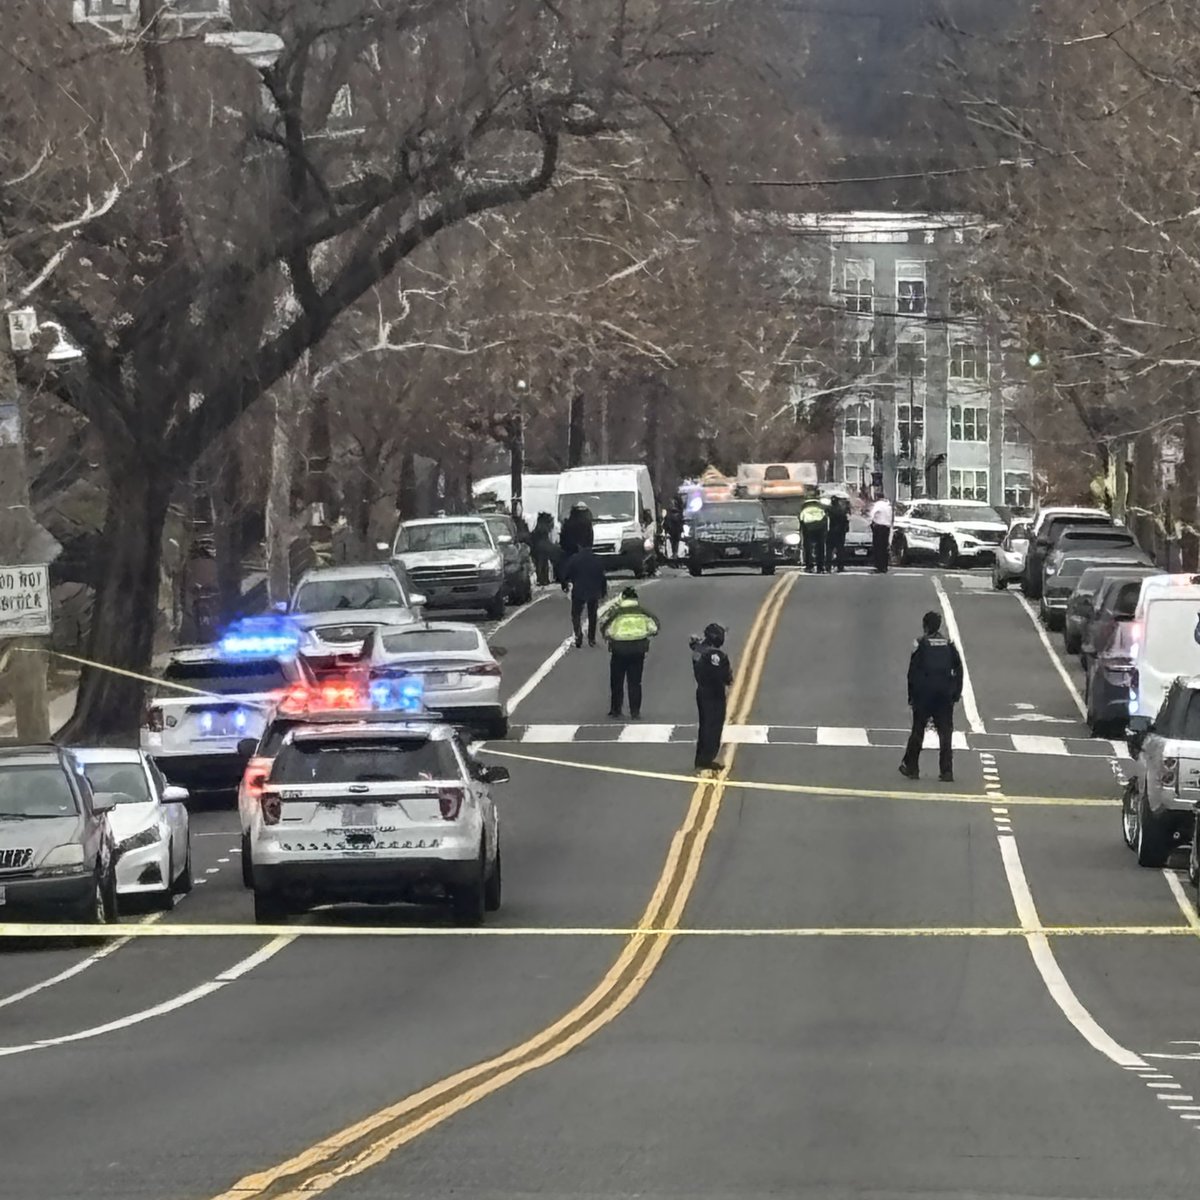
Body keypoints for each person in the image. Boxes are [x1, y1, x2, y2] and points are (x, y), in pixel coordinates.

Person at [899, 610, 964, 783]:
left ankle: (912, 767)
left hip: (924, 695)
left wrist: (911, 695)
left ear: (925, 626)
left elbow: (912, 673)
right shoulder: (949, 645)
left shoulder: (921, 644)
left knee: (918, 730)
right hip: (944, 695)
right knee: (945, 733)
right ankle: (946, 770)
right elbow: (959, 669)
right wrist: (956, 693)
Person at [599, 586, 661, 718]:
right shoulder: (643, 612)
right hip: (638, 650)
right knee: (635, 682)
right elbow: (654, 628)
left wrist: (613, 637)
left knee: (617, 681)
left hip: (619, 650)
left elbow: (606, 629)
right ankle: (635, 711)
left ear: (623, 598)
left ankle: (616, 710)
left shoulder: (616, 613)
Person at [691, 622, 734, 772]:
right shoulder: (716, 656)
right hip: (714, 692)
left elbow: (696, 647)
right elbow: (723, 676)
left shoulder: (700, 650)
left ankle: (701, 757)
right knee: (713, 726)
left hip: (701, 691)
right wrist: (728, 679)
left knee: (705, 725)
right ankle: (707, 758)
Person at [560, 544, 607, 647]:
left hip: (579, 590)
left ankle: (578, 634)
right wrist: (603, 591)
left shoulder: (574, 559)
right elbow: (602, 577)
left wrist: (564, 586)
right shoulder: (597, 559)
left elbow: (565, 574)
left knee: (576, 614)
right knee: (592, 614)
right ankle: (591, 638)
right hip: (594, 590)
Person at [799, 496, 829, 574]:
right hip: (819, 531)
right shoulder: (820, 510)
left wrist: (802, 532)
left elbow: (801, 521)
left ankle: (809, 566)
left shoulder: (804, 510)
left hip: (808, 531)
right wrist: (825, 533)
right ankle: (820, 567)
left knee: (808, 548)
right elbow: (825, 521)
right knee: (820, 548)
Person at [869, 492, 894, 573]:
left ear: (877, 497)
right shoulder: (888, 505)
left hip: (879, 527)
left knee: (878, 547)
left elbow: (872, 514)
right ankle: (884, 566)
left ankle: (879, 566)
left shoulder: (878, 504)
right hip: (886, 527)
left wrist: (871, 521)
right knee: (884, 547)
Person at [529, 512, 556, 586]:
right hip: (541, 548)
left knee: (541, 562)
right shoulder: (544, 531)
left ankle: (542, 578)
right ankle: (543, 578)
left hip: (538, 548)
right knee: (542, 562)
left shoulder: (538, 530)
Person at [827, 495, 850, 573]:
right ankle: (840, 567)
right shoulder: (842, 511)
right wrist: (845, 530)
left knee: (829, 550)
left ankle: (828, 566)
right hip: (840, 533)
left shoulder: (828, 510)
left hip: (830, 532)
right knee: (840, 550)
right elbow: (846, 522)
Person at [663, 498, 685, 564]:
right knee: (675, 545)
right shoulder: (678, 513)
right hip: (675, 531)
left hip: (673, 531)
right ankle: (675, 557)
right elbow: (681, 522)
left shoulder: (670, 514)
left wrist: (666, 529)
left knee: (674, 545)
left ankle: (674, 557)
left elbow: (667, 522)